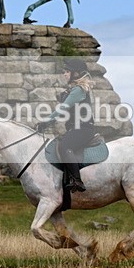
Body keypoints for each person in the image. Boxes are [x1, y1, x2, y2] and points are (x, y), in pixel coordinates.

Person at [37, 58, 95, 192]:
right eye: (64, 71)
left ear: (76, 74)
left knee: (65, 147)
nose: (64, 74)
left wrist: (46, 121)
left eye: (67, 71)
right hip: (75, 129)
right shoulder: (71, 90)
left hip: (83, 129)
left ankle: (77, 181)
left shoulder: (79, 90)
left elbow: (62, 109)